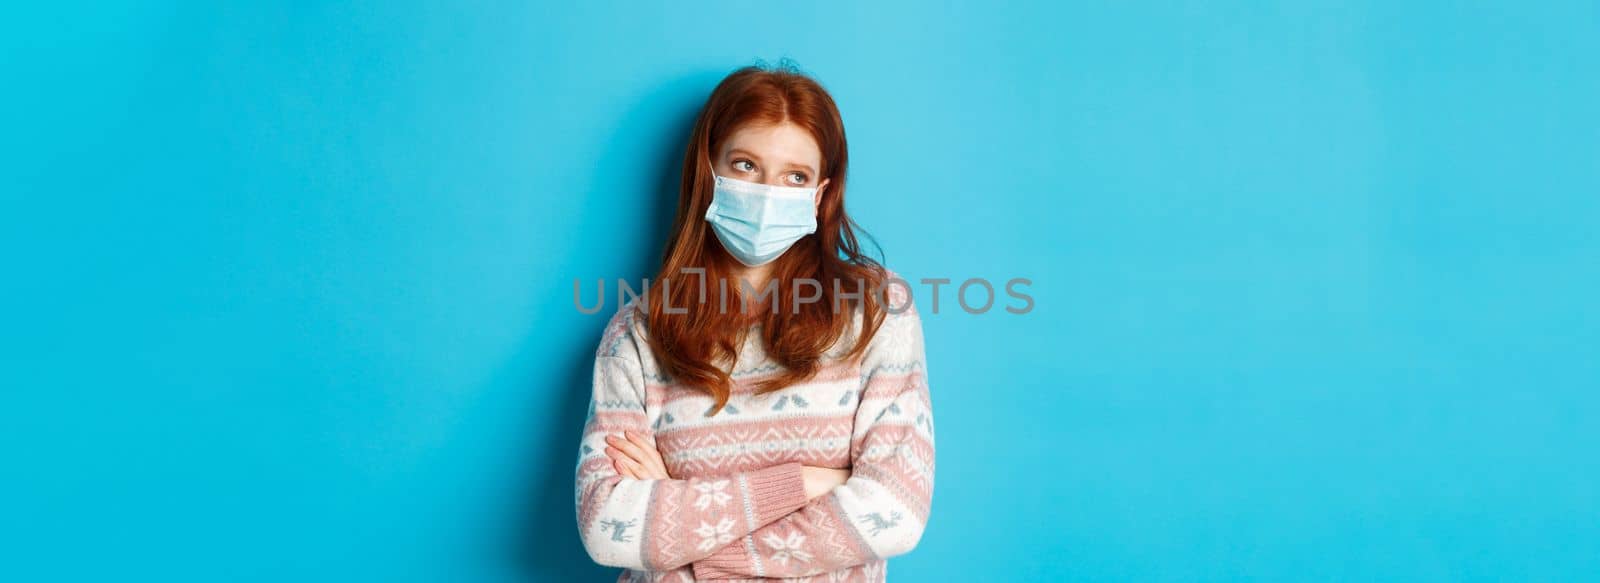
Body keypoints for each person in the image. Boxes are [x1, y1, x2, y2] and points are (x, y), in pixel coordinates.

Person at [574, 61, 935, 582]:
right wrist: (807, 483)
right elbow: (609, 529)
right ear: (709, 169)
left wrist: (682, 537)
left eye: (795, 176)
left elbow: (896, 512)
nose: (768, 192)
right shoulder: (638, 334)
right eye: (745, 165)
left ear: (819, 192)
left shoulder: (877, 311)